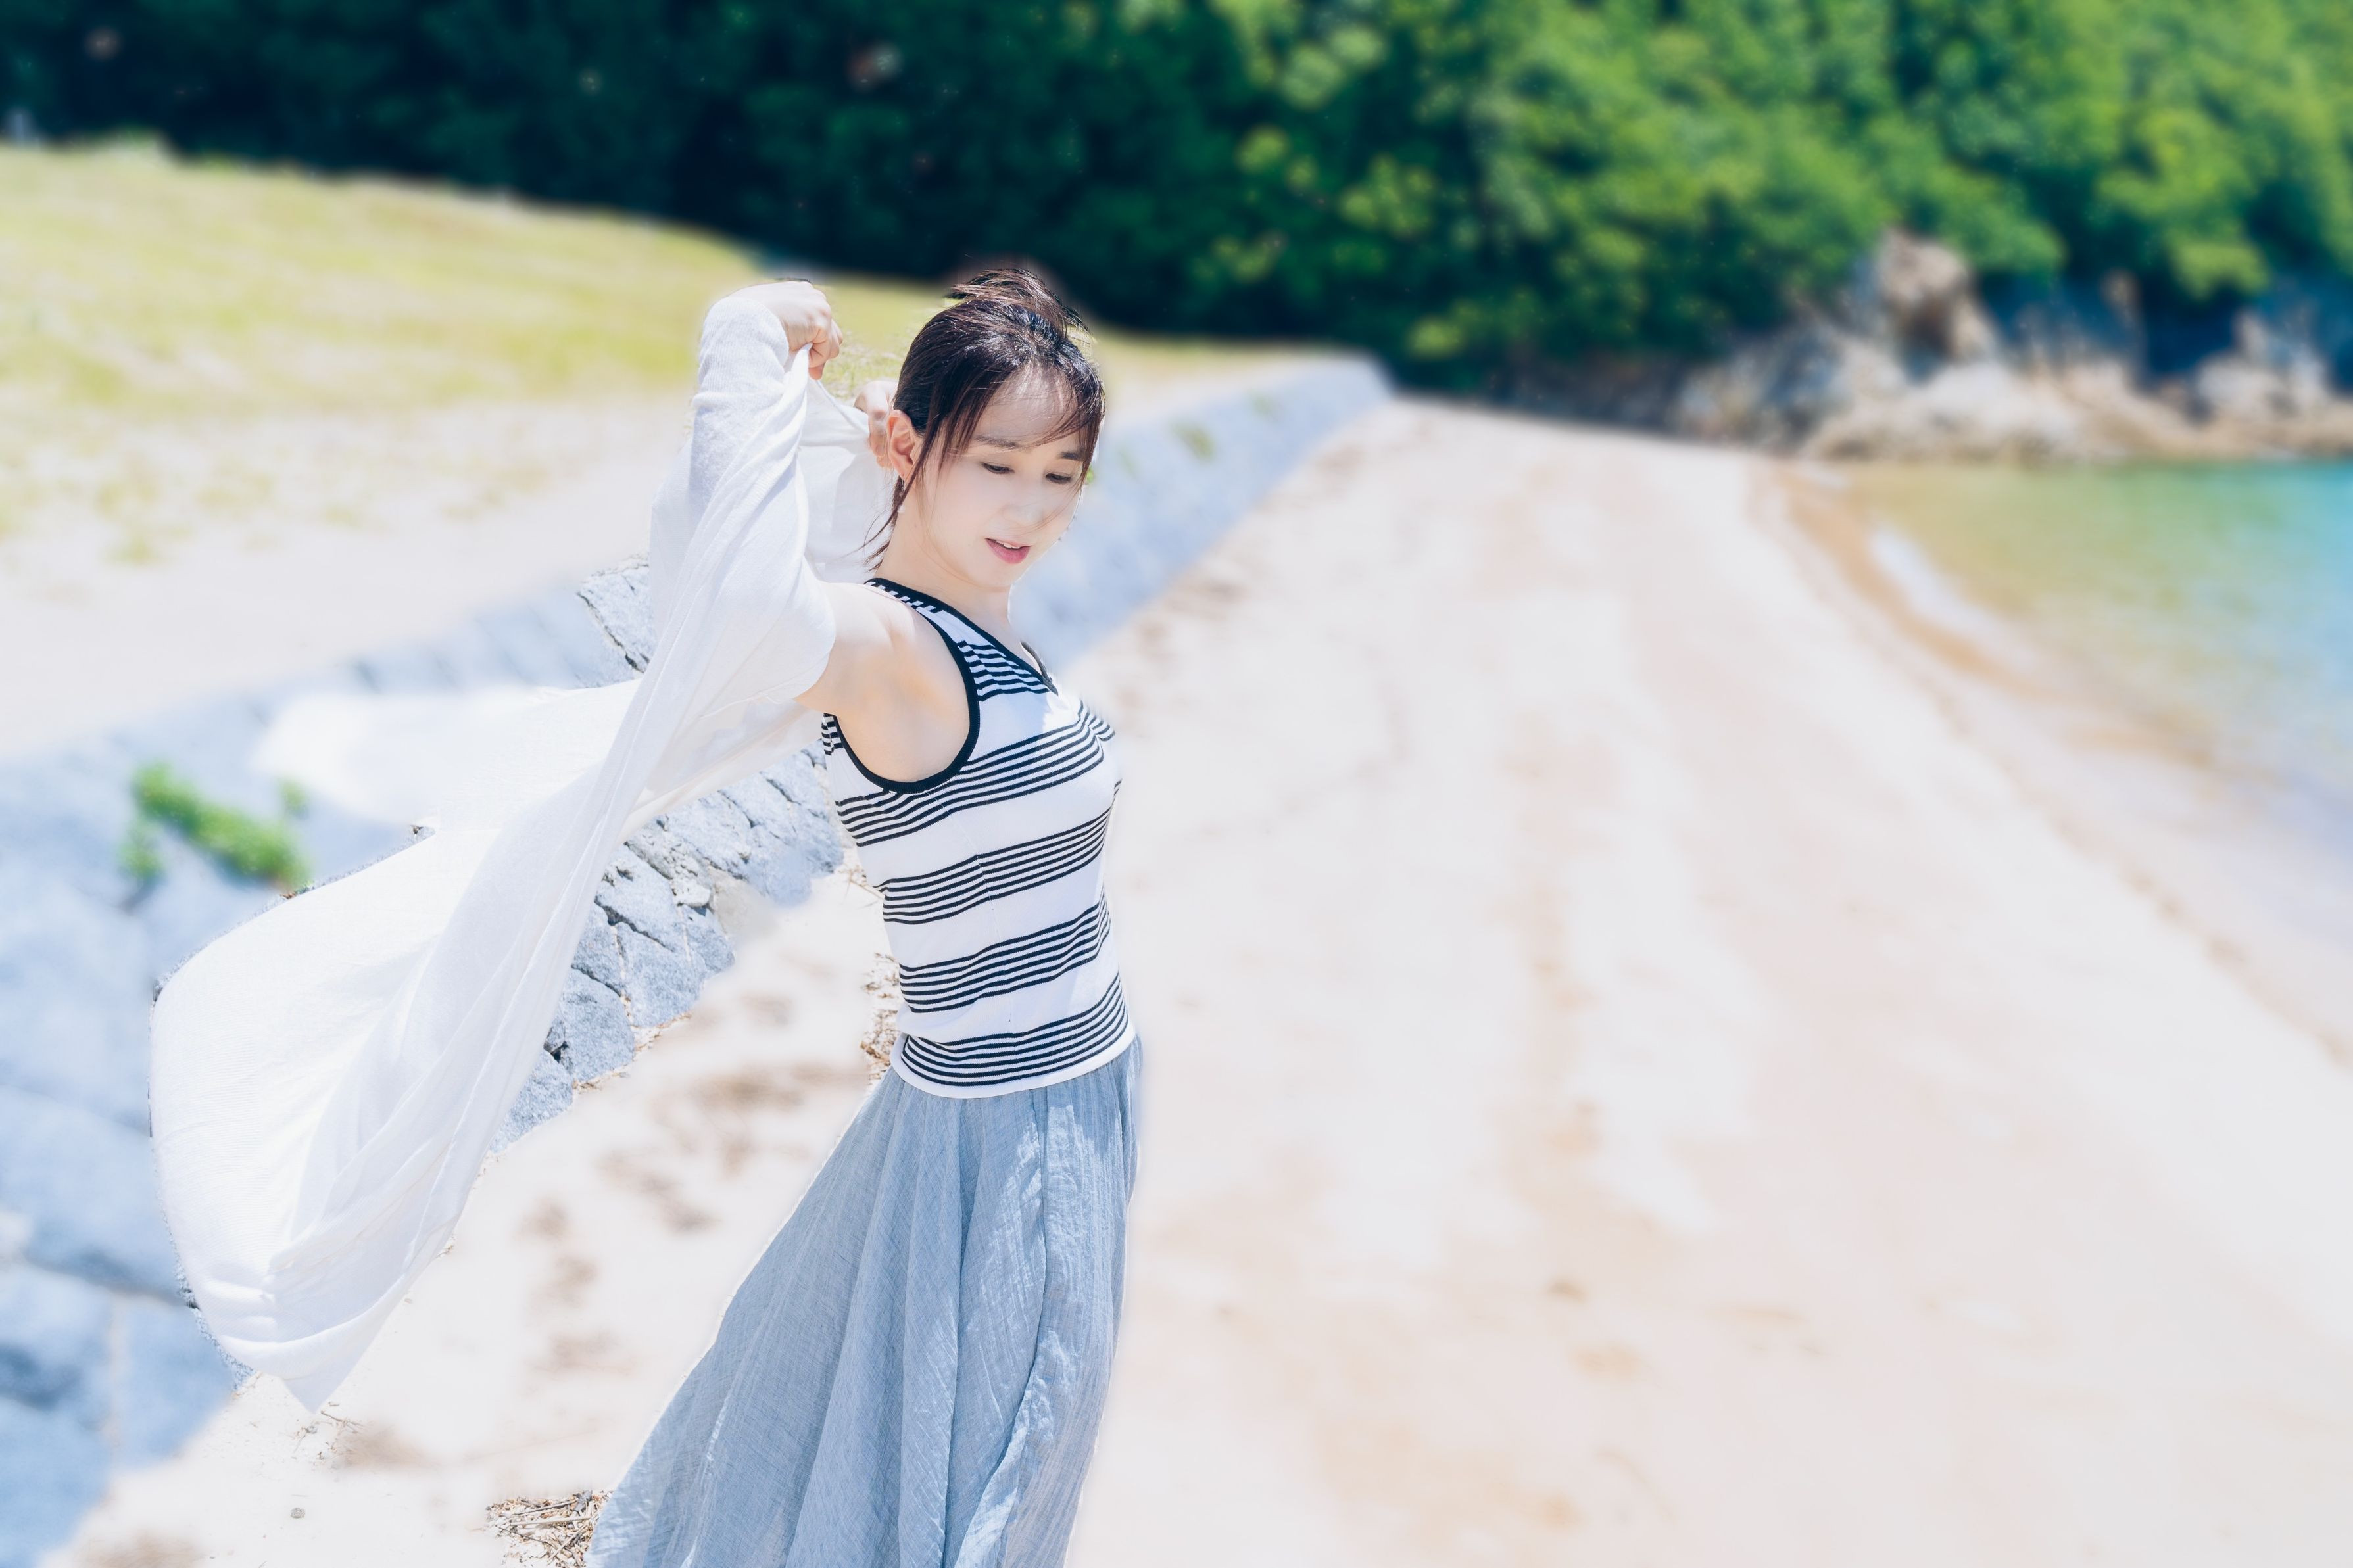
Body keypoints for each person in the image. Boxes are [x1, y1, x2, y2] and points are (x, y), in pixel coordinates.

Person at [582, 270, 1142, 1567]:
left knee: (906, 1443)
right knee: (1002, 1457)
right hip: (1000, 1124)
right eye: (996, 465)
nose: (1030, 508)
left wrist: (920, 429)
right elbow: (733, 598)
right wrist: (739, 336)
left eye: (1059, 474)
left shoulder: (966, 619)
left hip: (1056, 1095)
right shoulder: (884, 648)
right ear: (907, 446)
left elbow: (926, 472)